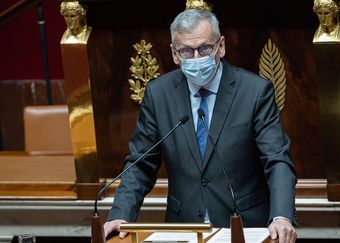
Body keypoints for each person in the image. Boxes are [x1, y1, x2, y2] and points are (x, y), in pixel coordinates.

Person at [104, 9, 298, 243]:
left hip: (244, 227)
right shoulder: (159, 94)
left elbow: (277, 160)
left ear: (221, 46)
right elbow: (140, 163)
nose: (197, 58)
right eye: (187, 51)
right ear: (175, 55)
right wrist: (121, 215)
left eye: (205, 48)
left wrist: (281, 216)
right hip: (183, 229)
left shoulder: (255, 92)